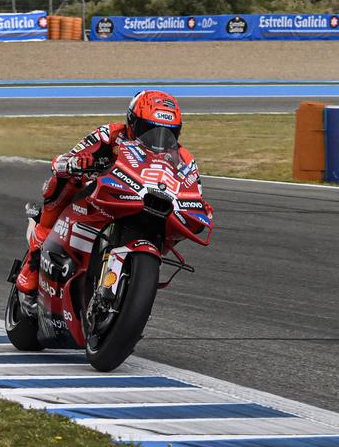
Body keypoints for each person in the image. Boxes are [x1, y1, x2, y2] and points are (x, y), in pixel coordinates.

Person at [13, 89, 201, 297]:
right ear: (132, 122)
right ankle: (35, 256)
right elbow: (62, 161)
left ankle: (135, 281)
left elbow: (194, 189)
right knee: (63, 181)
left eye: (168, 133)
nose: (158, 139)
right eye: (149, 130)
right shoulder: (110, 134)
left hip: (143, 205)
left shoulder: (184, 158)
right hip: (103, 197)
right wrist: (79, 162)